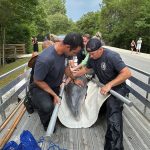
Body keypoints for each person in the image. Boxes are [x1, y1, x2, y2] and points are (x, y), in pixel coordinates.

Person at [72, 38, 131, 150]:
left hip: (118, 87)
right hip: (104, 87)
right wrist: (72, 75)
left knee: (113, 108)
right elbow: (86, 69)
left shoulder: (112, 56)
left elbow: (127, 73)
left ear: (100, 49)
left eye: (93, 54)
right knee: (99, 106)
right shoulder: (92, 56)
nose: (91, 56)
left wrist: (110, 84)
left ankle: (115, 147)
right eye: (89, 54)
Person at [30, 33, 84, 131]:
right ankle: (47, 126)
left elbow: (66, 68)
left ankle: (48, 100)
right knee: (47, 107)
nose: (75, 55)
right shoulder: (45, 59)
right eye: (75, 52)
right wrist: (54, 95)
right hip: (39, 86)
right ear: (68, 47)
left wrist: (73, 79)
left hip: (53, 84)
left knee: (56, 103)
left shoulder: (65, 52)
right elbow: (37, 80)